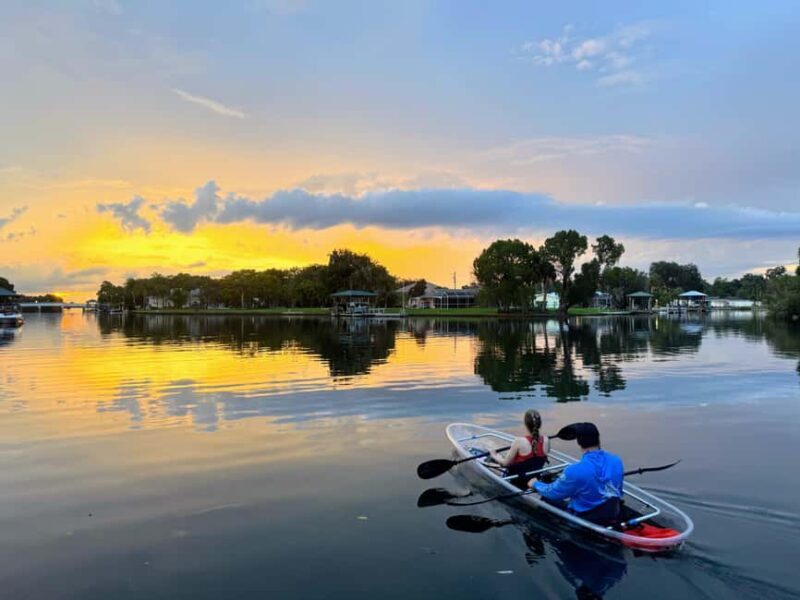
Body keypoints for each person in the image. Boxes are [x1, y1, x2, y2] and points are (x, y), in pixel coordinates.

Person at [529, 422, 624, 526]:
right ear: (598, 438)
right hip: (613, 512)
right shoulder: (616, 461)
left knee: (546, 497)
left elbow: (553, 493)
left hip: (587, 518)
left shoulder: (574, 470)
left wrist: (535, 484)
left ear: (578, 441)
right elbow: (618, 489)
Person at [488, 409, 550, 488]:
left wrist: (494, 455)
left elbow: (505, 463)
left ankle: (492, 461)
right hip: (534, 477)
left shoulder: (519, 441)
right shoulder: (546, 440)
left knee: (491, 463)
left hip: (517, 479)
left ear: (525, 424)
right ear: (539, 424)